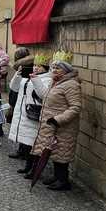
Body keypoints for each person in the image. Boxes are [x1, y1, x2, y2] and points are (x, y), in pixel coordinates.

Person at [30, 51, 81, 191]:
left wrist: (58, 119)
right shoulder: (56, 82)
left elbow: (75, 107)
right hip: (52, 125)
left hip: (63, 126)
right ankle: (57, 177)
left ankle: (63, 181)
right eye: (53, 68)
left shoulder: (71, 84)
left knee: (62, 153)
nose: (54, 70)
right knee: (55, 151)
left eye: (58, 68)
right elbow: (45, 97)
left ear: (66, 70)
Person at [9, 54, 52, 175]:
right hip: (22, 112)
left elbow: (43, 94)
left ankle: (34, 168)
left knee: (33, 144)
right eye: (34, 65)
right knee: (26, 143)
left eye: (39, 66)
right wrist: (17, 75)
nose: (36, 68)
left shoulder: (47, 79)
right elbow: (14, 87)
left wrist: (35, 79)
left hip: (33, 113)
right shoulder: (27, 77)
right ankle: (28, 166)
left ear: (45, 68)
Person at [6, 47, 34, 157]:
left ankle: (24, 151)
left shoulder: (24, 66)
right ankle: (22, 150)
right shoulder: (23, 66)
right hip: (20, 97)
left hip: (23, 98)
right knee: (23, 126)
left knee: (24, 126)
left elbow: (15, 86)